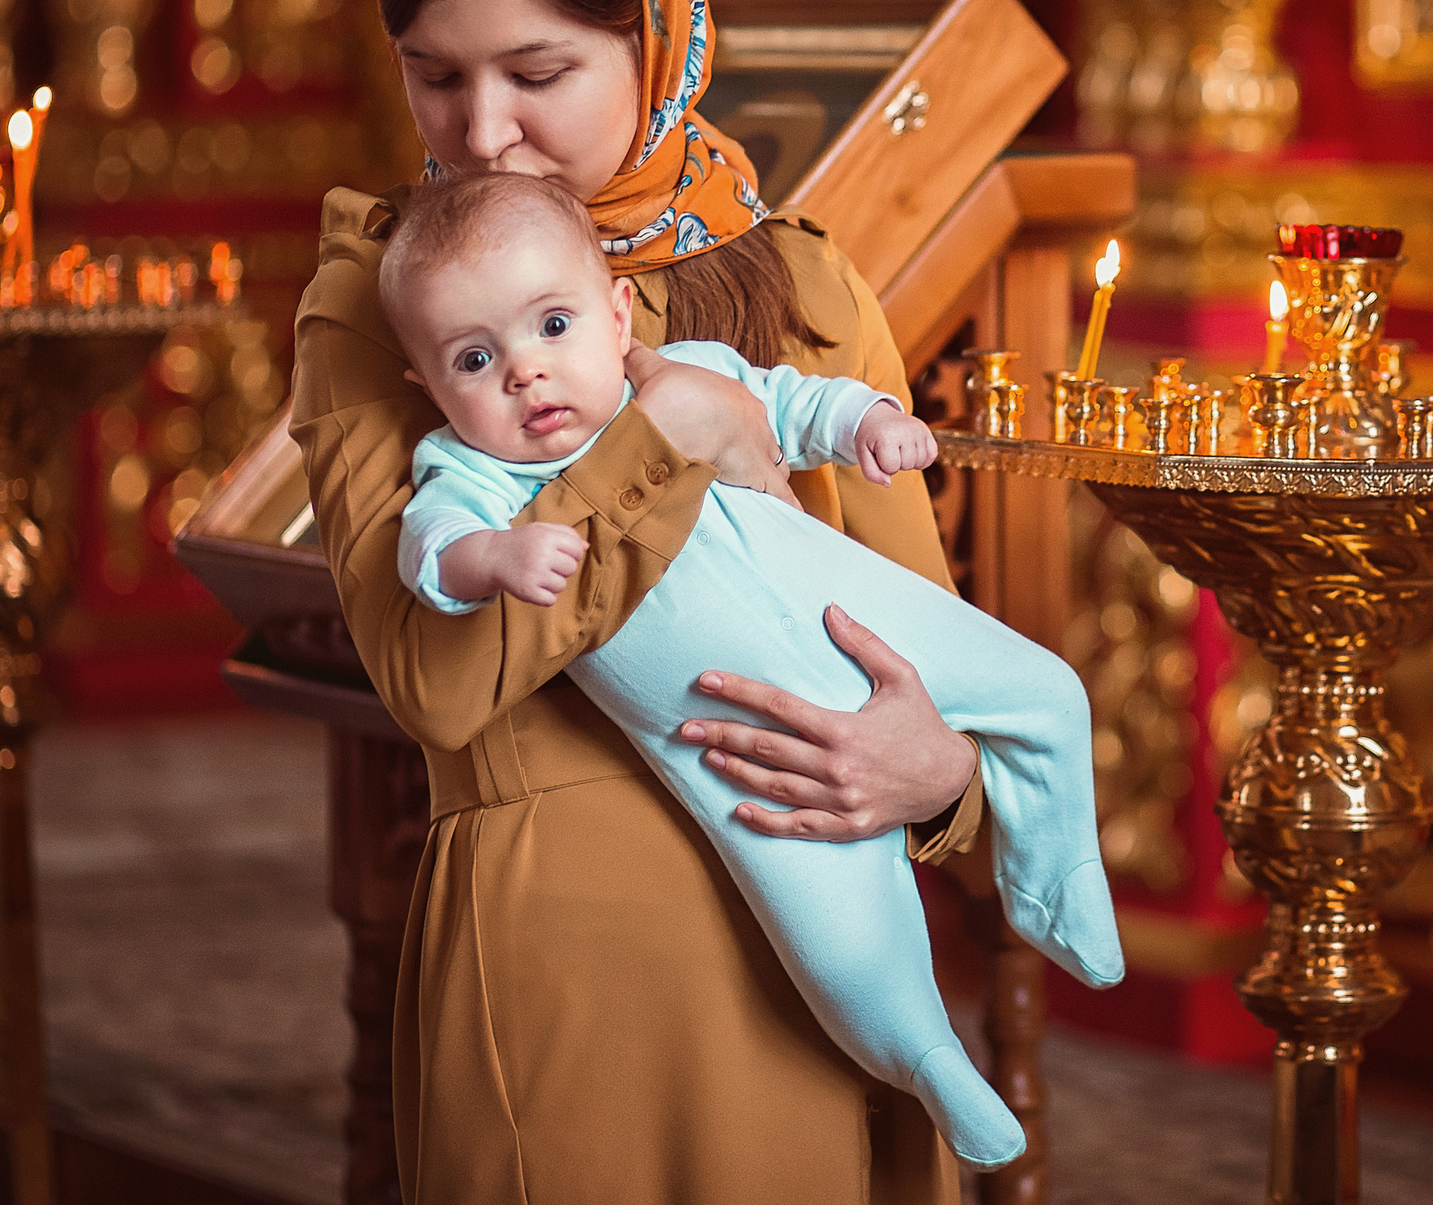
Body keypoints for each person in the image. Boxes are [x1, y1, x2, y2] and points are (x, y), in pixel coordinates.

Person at [290, 0, 1020, 1204]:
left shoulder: (801, 281)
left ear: (657, 34)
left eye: (535, 69)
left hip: (830, 963)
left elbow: (932, 674)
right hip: (569, 987)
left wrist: (934, 775)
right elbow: (433, 675)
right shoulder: (386, 301)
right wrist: (671, 432)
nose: (482, 131)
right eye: (433, 74)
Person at [379, 170, 1122, 1169]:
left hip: (846, 615)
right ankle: (930, 1056)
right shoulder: (476, 472)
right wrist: (495, 557)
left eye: (552, 327)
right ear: (431, 386)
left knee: (1044, 690)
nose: (525, 374)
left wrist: (867, 424)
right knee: (832, 926)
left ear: (612, 310)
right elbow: (425, 549)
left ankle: (1055, 881)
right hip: (731, 734)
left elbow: (796, 402)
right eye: (476, 358)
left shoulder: (683, 369)